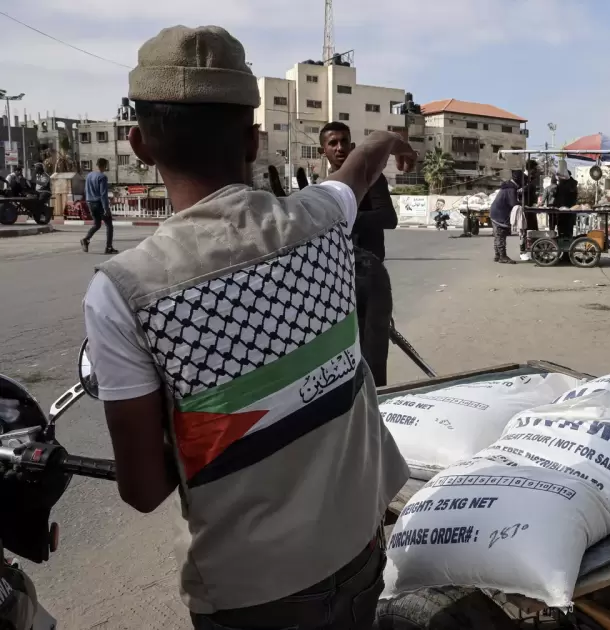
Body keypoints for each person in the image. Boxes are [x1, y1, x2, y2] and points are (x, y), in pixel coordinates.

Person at [80, 26, 413, 630]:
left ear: (138, 144)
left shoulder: (125, 291)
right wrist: (390, 138)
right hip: (361, 548)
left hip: (253, 594)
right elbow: (360, 171)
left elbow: (144, 490)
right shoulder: (321, 221)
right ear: (254, 141)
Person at [319, 121, 398, 386]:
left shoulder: (371, 179)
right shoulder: (322, 188)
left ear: (353, 147)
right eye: (333, 143)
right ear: (323, 151)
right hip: (337, 278)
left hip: (369, 278)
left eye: (344, 142)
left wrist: (344, 216)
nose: (339, 148)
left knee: (372, 356)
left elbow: (389, 217)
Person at [82, 158, 116, 254]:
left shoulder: (89, 175)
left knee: (97, 224)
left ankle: (86, 239)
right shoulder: (102, 177)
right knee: (109, 225)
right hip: (99, 203)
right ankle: (108, 247)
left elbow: (85, 191)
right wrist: (106, 208)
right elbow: (103, 194)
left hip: (90, 202)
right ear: (104, 166)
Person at [490, 171, 523, 264]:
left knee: (497, 235)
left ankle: (497, 255)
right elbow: (513, 203)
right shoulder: (511, 189)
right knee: (500, 235)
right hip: (500, 214)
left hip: (495, 212)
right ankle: (502, 257)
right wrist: (521, 203)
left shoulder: (508, 186)